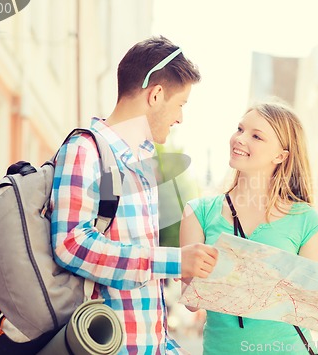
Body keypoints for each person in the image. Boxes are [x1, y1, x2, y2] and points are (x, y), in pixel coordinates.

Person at [50, 36, 218, 354]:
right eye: (180, 104)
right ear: (155, 95)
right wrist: (175, 260)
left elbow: (141, 286)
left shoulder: (141, 163)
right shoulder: (86, 150)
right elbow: (71, 244)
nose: (181, 117)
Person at [179, 99, 318, 354]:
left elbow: (308, 305)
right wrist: (190, 273)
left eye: (256, 136)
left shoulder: (307, 220)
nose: (240, 139)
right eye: (240, 129)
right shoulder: (198, 213)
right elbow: (191, 304)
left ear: (281, 156)